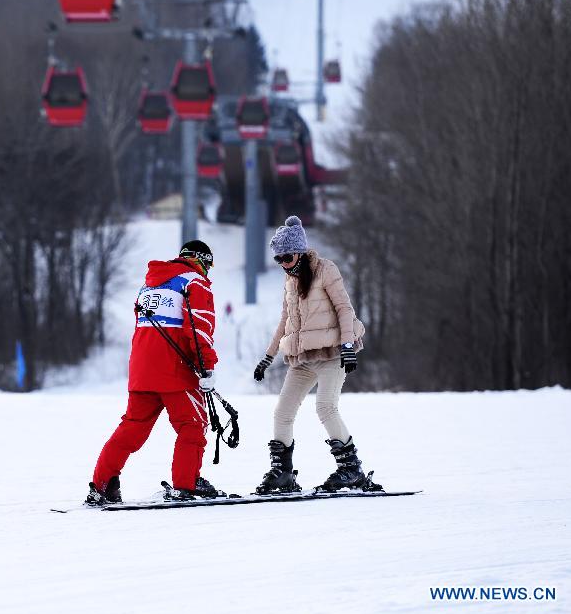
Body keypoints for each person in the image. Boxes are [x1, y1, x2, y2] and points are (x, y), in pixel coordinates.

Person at [252, 216, 381, 493]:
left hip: (332, 353)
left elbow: (345, 309)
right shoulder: (290, 281)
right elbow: (284, 322)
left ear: (299, 251)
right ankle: (282, 474)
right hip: (302, 359)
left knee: (325, 408)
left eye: (286, 257)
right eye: (278, 259)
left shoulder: (325, 270)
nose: (283, 263)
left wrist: (347, 346)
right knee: (282, 413)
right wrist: (268, 357)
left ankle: (351, 470)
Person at [86, 240, 220, 504]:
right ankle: (186, 484)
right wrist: (207, 367)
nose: (208, 272)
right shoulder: (194, 283)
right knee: (192, 427)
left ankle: (102, 484)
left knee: (132, 429)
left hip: (141, 371)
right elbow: (199, 329)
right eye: (209, 265)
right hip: (175, 371)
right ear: (202, 260)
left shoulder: (149, 285)